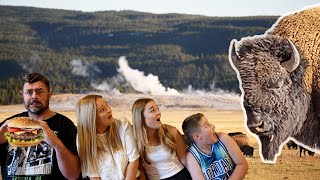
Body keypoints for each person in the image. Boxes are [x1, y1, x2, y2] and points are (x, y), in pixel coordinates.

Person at [0, 72, 80, 180]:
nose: (34, 96)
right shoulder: (8, 125)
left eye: (39, 91)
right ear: (22, 95)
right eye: (28, 92)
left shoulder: (66, 126)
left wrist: (56, 144)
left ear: (49, 94)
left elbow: (73, 175)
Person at [76, 94, 139, 180]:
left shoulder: (122, 124)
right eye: (102, 109)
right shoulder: (82, 139)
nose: (109, 110)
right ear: (91, 118)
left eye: (107, 105)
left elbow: (134, 160)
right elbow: (94, 177)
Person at [131, 98, 191, 180]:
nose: (158, 113)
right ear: (141, 117)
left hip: (180, 175)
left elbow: (185, 160)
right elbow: (140, 170)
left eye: (157, 109)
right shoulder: (135, 140)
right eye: (152, 110)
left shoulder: (171, 131)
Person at [182, 113, 248, 180]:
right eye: (207, 125)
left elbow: (242, 164)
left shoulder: (223, 138)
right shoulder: (192, 157)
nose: (213, 126)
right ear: (197, 136)